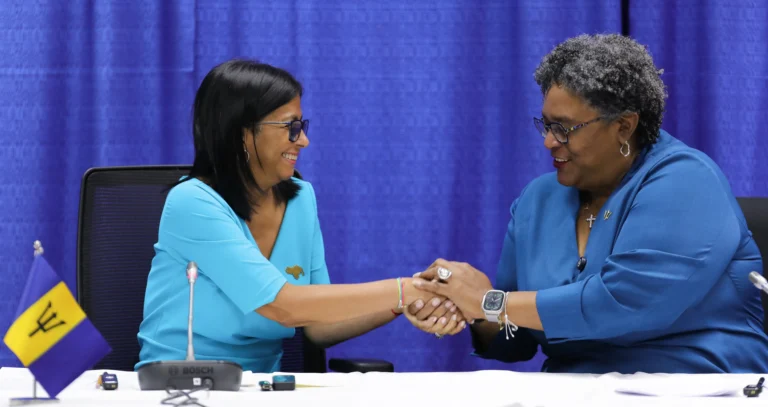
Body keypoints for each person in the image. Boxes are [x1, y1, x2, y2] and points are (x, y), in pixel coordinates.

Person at [408, 34, 768, 373]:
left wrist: (489, 302)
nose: (549, 142)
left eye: (564, 128)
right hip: (574, 393)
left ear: (624, 126)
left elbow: (620, 306)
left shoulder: (687, 181)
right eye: (546, 125)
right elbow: (515, 341)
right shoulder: (538, 199)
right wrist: (460, 303)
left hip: (700, 386)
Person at [135, 59, 465, 373]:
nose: (303, 140)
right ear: (242, 133)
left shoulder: (301, 198)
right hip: (179, 386)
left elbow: (318, 327)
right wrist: (404, 289)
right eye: (291, 127)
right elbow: (282, 305)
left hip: (261, 389)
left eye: (301, 126)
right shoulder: (191, 202)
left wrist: (404, 302)